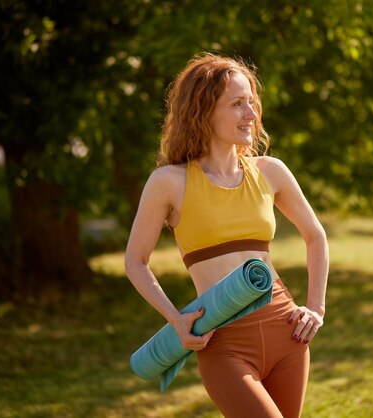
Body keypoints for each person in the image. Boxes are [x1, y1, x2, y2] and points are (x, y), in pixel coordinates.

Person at [124, 52, 329, 418]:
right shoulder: (169, 182)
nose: (251, 113)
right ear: (203, 111)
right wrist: (175, 319)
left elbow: (315, 235)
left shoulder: (270, 171)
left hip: (288, 333)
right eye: (237, 104)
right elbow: (136, 262)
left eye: (251, 102)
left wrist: (316, 308)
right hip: (223, 342)